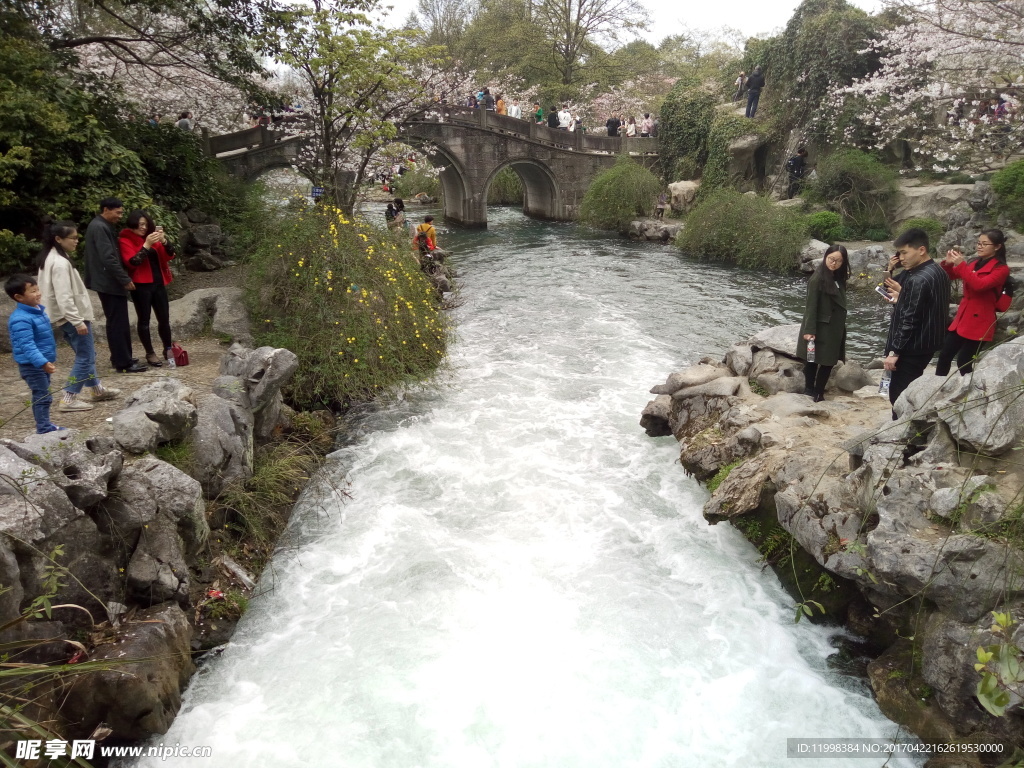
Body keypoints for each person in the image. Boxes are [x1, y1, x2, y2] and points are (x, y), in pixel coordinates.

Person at [36, 221, 121, 411]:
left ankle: (97, 390)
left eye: (77, 238)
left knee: (86, 354)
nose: (76, 241)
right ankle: (69, 398)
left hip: (64, 316)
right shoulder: (59, 263)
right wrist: (77, 321)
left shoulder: (51, 257)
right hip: (71, 317)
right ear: (58, 239)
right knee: (85, 357)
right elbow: (63, 296)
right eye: (72, 238)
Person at [883, 228, 951, 412]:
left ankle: (902, 434)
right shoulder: (939, 271)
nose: (901, 257)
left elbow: (909, 319)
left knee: (899, 395)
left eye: (905, 252)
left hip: (911, 348)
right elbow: (927, 307)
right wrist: (901, 298)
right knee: (911, 390)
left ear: (921, 250)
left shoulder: (918, 279)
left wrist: (894, 352)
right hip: (927, 344)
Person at [935, 230, 1010, 376]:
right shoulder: (974, 262)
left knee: (964, 360)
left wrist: (961, 265)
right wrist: (949, 264)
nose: (980, 247)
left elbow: (979, 285)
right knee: (944, 355)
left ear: (997, 247)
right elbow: (950, 276)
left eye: (984, 244)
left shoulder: (1001, 269)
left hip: (981, 321)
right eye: (978, 243)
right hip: (963, 318)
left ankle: (968, 391)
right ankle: (936, 389)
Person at [84, 198, 147, 373]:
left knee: (116, 321)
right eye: (117, 212)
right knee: (118, 322)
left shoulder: (101, 225)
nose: (120, 216)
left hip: (106, 280)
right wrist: (124, 278)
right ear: (106, 209)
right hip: (108, 281)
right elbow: (108, 257)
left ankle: (120, 356)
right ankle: (123, 362)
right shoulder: (99, 227)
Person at [5, 274, 62, 433]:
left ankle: (45, 424)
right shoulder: (20, 319)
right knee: (43, 395)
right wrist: (42, 362)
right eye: (32, 291)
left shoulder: (38, 311)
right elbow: (27, 345)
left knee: (45, 393)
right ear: (19, 297)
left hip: (41, 363)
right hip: (32, 365)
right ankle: (43, 427)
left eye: (37, 289)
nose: (38, 293)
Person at [119, 210, 176, 367]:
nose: (143, 227)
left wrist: (164, 241)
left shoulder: (151, 237)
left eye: (145, 224)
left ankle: (168, 348)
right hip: (141, 285)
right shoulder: (125, 239)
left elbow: (170, 255)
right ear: (132, 225)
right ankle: (150, 352)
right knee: (144, 320)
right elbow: (132, 262)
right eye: (139, 225)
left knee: (164, 319)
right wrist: (147, 245)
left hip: (158, 283)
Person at [797, 245, 849, 401]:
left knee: (828, 361)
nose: (834, 263)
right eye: (831, 259)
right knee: (813, 360)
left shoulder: (838, 277)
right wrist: (809, 330)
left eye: (838, 261)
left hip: (833, 327)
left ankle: (818, 392)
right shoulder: (817, 278)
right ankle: (810, 390)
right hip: (821, 327)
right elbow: (811, 307)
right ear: (825, 257)